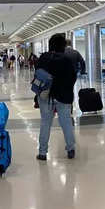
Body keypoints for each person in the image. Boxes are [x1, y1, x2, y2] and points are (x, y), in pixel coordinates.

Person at [36, 33, 77, 161]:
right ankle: (70, 149)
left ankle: (42, 152)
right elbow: (72, 77)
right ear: (63, 45)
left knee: (45, 122)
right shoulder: (66, 60)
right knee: (66, 122)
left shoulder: (43, 58)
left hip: (45, 95)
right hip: (63, 95)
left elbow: (37, 75)